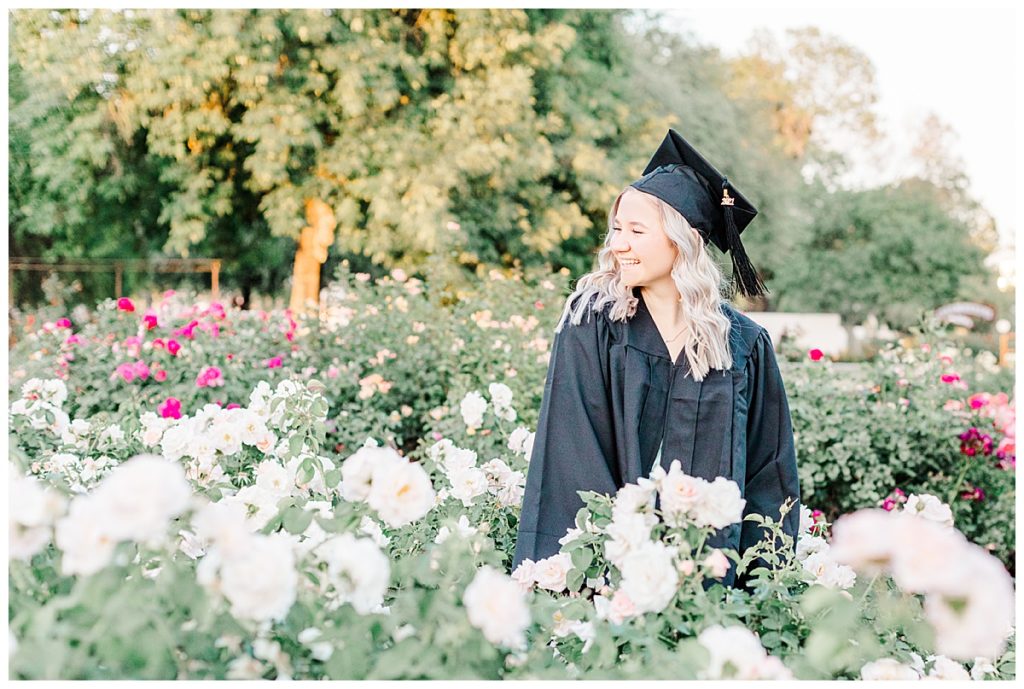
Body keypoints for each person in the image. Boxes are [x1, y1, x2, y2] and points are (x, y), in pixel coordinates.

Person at [512, 129, 801, 588]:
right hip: (615, 586)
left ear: (682, 241)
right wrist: (607, 578)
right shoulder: (594, 324)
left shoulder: (743, 345)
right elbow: (572, 453)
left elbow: (770, 474)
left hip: (710, 588)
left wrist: (759, 592)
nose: (618, 244)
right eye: (617, 228)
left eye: (637, 231)